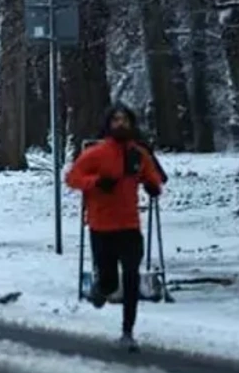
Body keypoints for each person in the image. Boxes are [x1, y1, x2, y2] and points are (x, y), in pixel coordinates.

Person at [66, 104, 165, 352]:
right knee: (110, 282)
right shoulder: (96, 153)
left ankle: (127, 332)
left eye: (125, 120)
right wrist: (97, 182)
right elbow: (72, 178)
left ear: (131, 124)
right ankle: (101, 290)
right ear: (108, 124)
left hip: (130, 226)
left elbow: (152, 178)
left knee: (131, 276)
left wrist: (153, 187)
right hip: (101, 227)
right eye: (116, 120)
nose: (120, 124)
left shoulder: (139, 154)